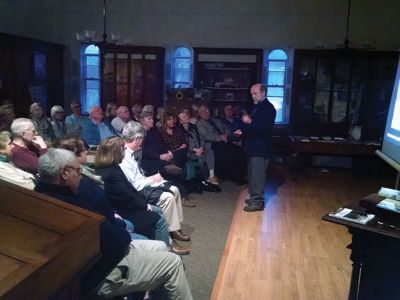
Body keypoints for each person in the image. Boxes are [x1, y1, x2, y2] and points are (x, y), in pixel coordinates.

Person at [35, 148, 193, 299]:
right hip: (98, 271)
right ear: (64, 173)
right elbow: (115, 241)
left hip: (99, 257)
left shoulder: (41, 196)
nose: (81, 176)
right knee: (173, 262)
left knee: (160, 246)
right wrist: (122, 230)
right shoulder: (66, 206)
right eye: (78, 171)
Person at [120, 121, 194, 239]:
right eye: (142, 139)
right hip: (137, 190)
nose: (142, 142)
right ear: (137, 139)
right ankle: (169, 232)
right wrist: (152, 179)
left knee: (174, 189)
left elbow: (138, 176)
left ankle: (175, 228)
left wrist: (152, 179)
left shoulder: (133, 152)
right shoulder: (124, 157)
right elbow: (135, 185)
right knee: (168, 197)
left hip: (142, 182)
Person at [235, 83, 276, 212]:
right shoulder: (256, 107)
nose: (252, 96)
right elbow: (252, 127)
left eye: (255, 93)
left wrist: (250, 122)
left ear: (263, 93)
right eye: (251, 93)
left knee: (258, 175)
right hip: (252, 147)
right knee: (252, 174)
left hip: (260, 148)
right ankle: (254, 197)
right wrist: (243, 130)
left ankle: (257, 201)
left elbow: (264, 129)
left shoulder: (269, 109)